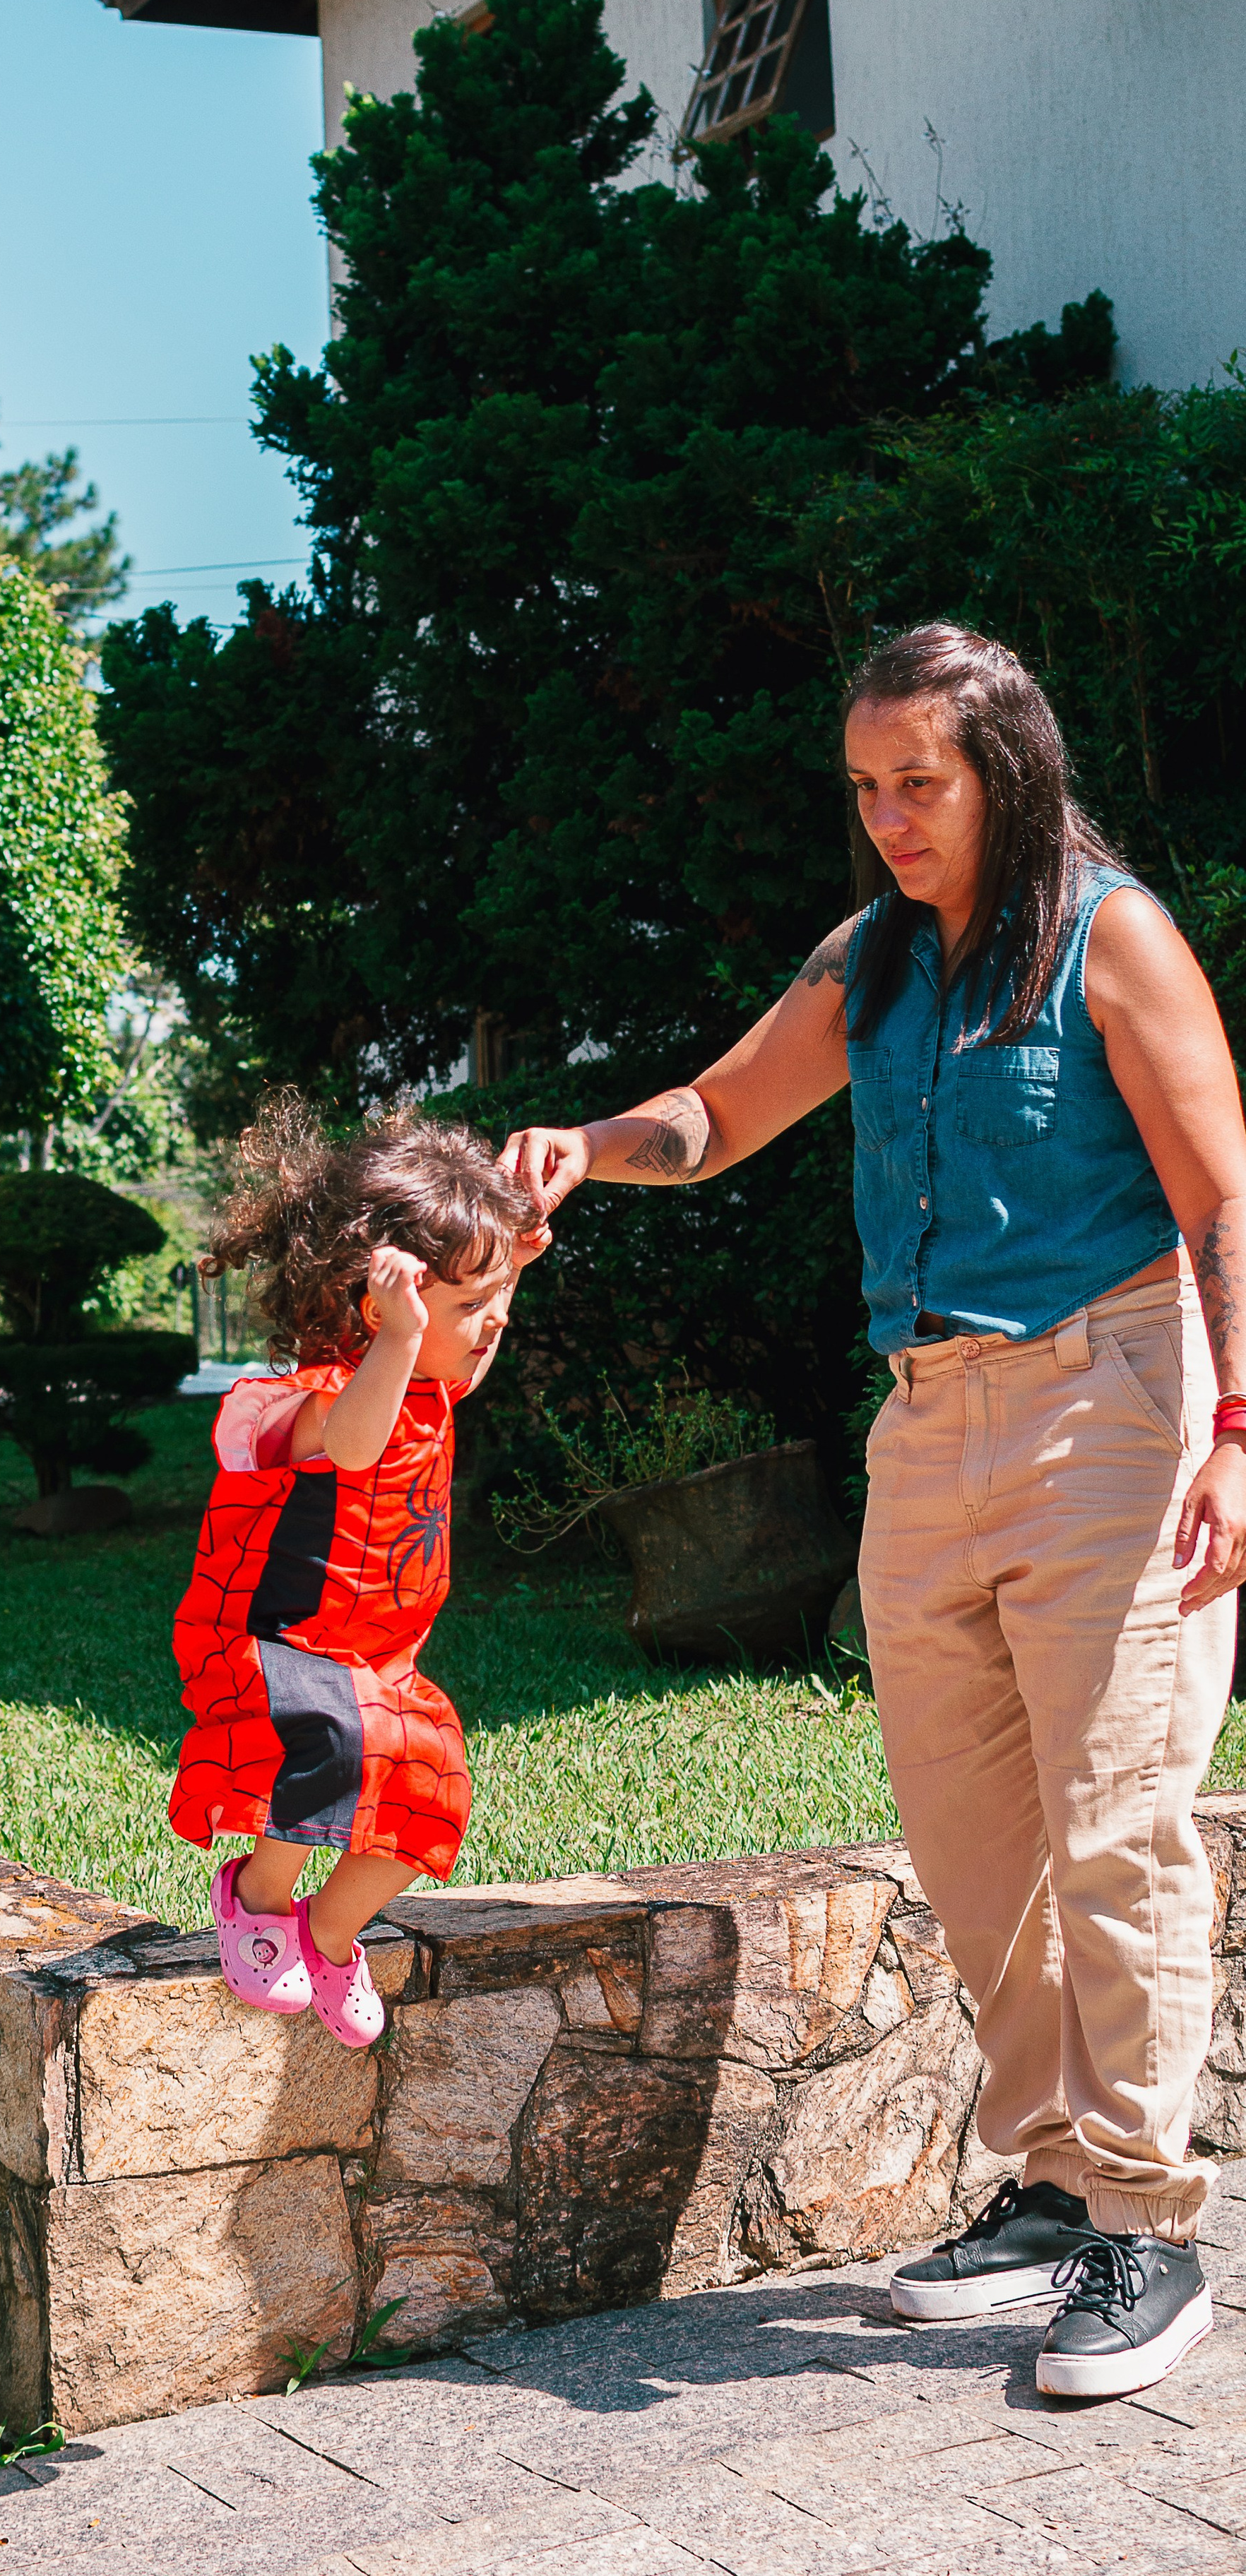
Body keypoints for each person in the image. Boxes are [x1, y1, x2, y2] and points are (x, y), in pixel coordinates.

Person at [501, 623, 1246, 2399]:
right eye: (865, 786)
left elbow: (1223, 1195)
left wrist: (1236, 1427)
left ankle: (1151, 2224)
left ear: (1006, 768)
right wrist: (580, 1147)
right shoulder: (873, 957)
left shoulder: (1108, 934)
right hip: (923, 1421)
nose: (889, 817)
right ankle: (1055, 2179)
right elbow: (718, 1112)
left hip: (1113, 1396)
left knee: (1113, 1819)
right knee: (969, 1830)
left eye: (919, 782)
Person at [171, 1097, 547, 2045]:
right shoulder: (322, 1394)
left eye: (496, 1305)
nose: (492, 1326)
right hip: (285, 1641)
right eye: (471, 1310)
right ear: (375, 1306)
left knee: (434, 1789)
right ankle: (256, 1895)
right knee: (333, 1748)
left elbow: (461, 1359)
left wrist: (499, 1279)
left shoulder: (432, 1378)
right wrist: (400, 1338)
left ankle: (332, 1935)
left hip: (378, 1651)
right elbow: (351, 1445)